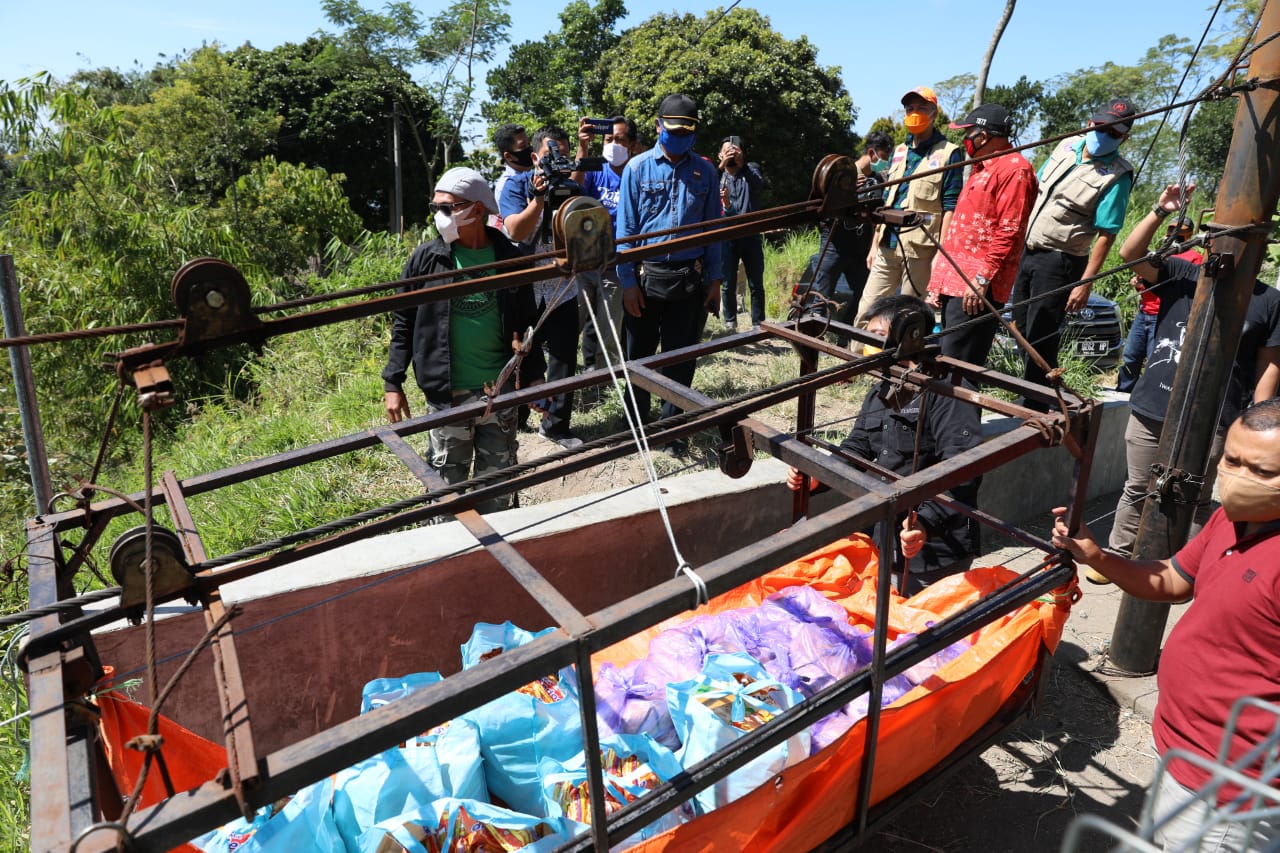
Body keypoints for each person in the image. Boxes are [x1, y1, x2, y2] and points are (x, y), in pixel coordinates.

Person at [1052, 399, 1280, 851]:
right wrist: (1097, 558)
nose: (1237, 478)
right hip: (1176, 745)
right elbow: (1175, 579)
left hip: (1231, 789)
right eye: (1231, 461)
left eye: (1262, 471)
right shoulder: (1234, 518)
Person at [1100, 183, 1280, 584]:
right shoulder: (1184, 273)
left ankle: (1193, 566)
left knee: (1196, 498)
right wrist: (1160, 211)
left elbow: (1269, 367)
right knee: (1137, 486)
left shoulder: (1269, 301)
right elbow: (1130, 255)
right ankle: (1119, 553)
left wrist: (1254, 423)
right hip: (1153, 406)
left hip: (1217, 415)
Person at [787, 294, 982, 594]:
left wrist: (925, 524)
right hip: (885, 533)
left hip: (932, 548)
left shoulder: (949, 392)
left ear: (909, 335)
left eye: (877, 336)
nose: (868, 343)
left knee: (919, 627)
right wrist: (819, 475)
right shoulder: (885, 387)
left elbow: (963, 468)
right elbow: (858, 446)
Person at [381, 167, 546, 513]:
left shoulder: (509, 260)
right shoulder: (427, 260)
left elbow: (528, 323)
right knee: (446, 494)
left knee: (497, 489)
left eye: (447, 208)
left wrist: (533, 376)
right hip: (448, 395)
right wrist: (392, 380)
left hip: (498, 394)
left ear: (477, 210)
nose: (440, 216)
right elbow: (403, 321)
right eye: (436, 208)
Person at [1011, 98, 1137, 407]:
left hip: (1060, 259)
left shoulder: (1117, 175)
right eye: (1100, 127)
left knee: (1042, 330)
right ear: (1090, 122)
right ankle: (1032, 387)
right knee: (1021, 323)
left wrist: (1086, 282)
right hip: (1028, 250)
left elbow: (1108, 233)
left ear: (1124, 137)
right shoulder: (1066, 146)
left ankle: (1036, 400)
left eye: (1113, 133)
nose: (1102, 135)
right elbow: (1036, 187)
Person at [615, 93, 722, 439]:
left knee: (680, 359)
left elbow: (713, 230)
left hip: (688, 280)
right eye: (672, 130)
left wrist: (715, 280)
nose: (677, 138)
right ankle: (636, 430)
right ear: (658, 126)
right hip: (646, 279)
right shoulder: (636, 168)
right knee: (639, 357)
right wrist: (627, 281)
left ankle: (671, 431)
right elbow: (626, 230)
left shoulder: (705, 171)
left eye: (685, 132)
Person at [925, 103, 1038, 370]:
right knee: (944, 361)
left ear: (983, 136)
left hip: (975, 289)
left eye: (968, 132)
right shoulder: (982, 167)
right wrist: (938, 280)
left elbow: (1009, 230)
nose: (965, 139)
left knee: (959, 369)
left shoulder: (1015, 169)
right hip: (955, 282)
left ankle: (959, 413)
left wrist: (980, 280)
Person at [498, 125, 584, 449]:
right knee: (520, 355)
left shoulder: (572, 187)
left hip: (563, 286)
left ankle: (557, 426)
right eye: (551, 155)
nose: (557, 161)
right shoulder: (515, 186)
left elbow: (579, 228)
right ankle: (515, 416)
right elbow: (515, 231)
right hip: (524, 290)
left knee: (563, 357)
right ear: (535, 157)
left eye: (563, 154)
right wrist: (537, 198)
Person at [855, 87, 964, 321]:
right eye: (910, 109)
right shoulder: (900, 151)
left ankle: (897, 359)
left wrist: (941, 254)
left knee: (907, 315)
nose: (915, 113)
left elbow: (950, 206)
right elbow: (886, 200)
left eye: (922, 109)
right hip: (887, 243)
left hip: (921, 250)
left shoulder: (950, 153)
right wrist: (874, 244)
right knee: (867, 310)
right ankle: (858, 357)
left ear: (934, 113)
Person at [810, 131, 894, 336]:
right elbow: (819, 206)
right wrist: (844, 194)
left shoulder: (876, 180)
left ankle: (845, 334)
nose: (885, 162)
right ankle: (811, 338)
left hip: (860, 250)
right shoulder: (842, 174)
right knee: (821, 295)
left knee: (864, 294)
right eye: (884, 156)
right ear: (872, 153)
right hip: (834, 245)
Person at [573, 115, 636, 372]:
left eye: (619, 140)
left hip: (616, 264)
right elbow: (573, 187)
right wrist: (583, 148)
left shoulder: (637, 173)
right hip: (584, 261)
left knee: (609, 329)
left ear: (631, 144)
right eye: (609, 139)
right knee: (570, 324)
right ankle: (560, 378)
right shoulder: (595, 168)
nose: (613, 144)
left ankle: (604, 383)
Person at [1116, 215, 1203, 393]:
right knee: (1130, 356)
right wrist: (1139, 284)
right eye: (1172, 229)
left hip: (1164, 315)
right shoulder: (1161, 253)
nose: (1175, 233)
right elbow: (1147, 278)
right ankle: (1123, 392)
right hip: (1144, 312)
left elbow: (1181, 287)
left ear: (1189, 234)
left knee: (1156, 358)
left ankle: (1148, 394)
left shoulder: (1194, 258)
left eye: (1180, 231)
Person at [716, 135, 766, 330]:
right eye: (726, 151)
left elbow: (759, 184)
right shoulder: (717, 176)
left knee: (756, 282)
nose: (730, 154)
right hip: (726, 236)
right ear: (720, 154)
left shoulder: (751, 170)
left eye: (734, 150)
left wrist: (742, 163)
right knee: (727, 281)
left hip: (750, 234)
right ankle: (730, 322)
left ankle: (758, 324)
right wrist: (721, 166)